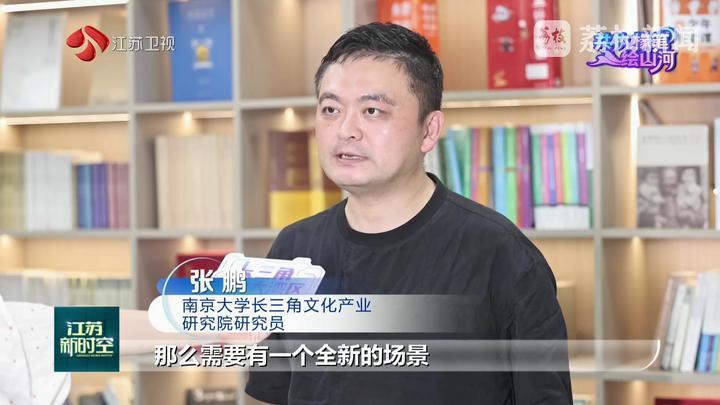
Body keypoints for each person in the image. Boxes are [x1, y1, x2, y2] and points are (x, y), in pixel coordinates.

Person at [245, 22, 572, 404]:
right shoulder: (293, 250)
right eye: (330, 109)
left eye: (372, 110)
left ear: (429, 130)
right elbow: (271, 395)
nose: (346, 129)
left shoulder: (501, 256)